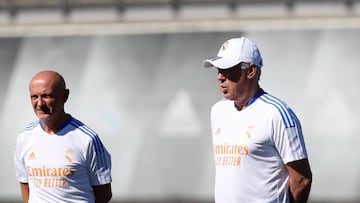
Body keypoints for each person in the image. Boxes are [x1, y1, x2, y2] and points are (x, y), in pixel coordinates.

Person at [203, 37, 312, 203]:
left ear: (251, 71)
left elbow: (301, 179)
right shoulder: (218, 110)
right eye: (218, 69)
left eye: (227, 69)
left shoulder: (276, 113)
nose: (220, 77)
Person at [14, 70, 112, 203]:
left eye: (47, 96)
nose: (40, 103)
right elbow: (25, 186)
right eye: (34, 97)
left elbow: (104, 193)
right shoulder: (24, 137)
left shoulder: (87, 139)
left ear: (65, 96)